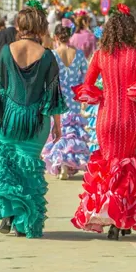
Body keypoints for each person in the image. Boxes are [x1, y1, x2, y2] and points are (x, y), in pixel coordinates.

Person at [0, 2, 68, 238]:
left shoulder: (6, 51)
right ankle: (24, 222)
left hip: (9, 118)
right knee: (29, 170)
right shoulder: (47, 56)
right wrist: (58, 126)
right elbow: (53, 91)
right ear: (41, 27)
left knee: (8, 167)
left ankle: (9, 212)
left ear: (21, 26)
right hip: (36, 121)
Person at [71, 3, 136, 240]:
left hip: (106, 117)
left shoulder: (100, 55)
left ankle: (109, 216)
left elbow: (87, 86)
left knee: (109, 166)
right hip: (131, 119)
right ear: (132, 31)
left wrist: (99, 95)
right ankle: (121, 221)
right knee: (127, 168)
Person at [42, 25, 90, 180]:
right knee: (72, 132)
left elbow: (48, 79)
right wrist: (84, 97)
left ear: (56, 37)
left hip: (58, 98)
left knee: (59, 130)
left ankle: (61, 164)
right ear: (69, 37)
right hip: (74, 98)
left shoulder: (53, 55)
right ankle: (67, 164)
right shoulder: (79, 54)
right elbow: (85, 77)